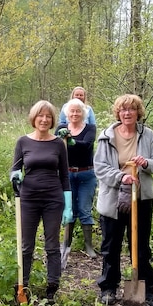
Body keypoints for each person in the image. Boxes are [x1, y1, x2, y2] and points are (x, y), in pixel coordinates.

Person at [93, 94, 153, 306]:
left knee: (141, 246)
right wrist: (120, 176)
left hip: (140, 198)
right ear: (118, 113)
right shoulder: (107, 136)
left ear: (138, 112)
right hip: (114, 199)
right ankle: (108, 287)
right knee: (111, 245)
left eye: (132, 109)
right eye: (123, 110)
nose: (127, 113)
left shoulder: (147, 135)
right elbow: (100, 167)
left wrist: (145, 163)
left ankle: (146, 289)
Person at [10, 101, 72, 303]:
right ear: (34, 118)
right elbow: (15, 168)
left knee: (52, 245)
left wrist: (68, 204)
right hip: (28, 199)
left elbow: (64, 175)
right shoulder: (23, 142)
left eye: (48, 116)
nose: (44, 120)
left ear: (52, 120)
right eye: (40, 116)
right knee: (26, 245)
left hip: (53, 199)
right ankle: (22, 286)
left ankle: (52, 287)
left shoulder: (58, 144)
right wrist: (15, 176)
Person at [57, 98, 98, 257]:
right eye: (72, 111)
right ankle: (66, 244)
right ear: (67, 113)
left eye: (78, 111)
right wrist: (61, 139)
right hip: (67, 174)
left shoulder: (90, 128)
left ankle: (88, 246)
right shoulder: (61, 127)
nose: (75, 114)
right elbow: (54, 146)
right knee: (69, 209)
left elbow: (86, 145)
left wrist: (71, 141)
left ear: (83, 113)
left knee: (84, 209)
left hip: (86, 174)